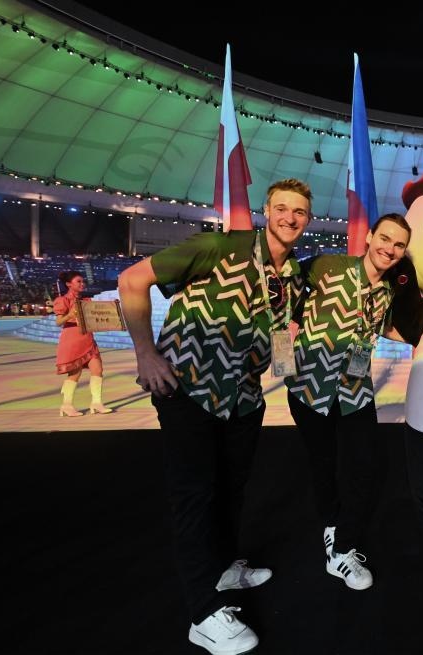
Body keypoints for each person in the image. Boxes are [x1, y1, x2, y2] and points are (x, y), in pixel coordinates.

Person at [117, 179, 311, 655]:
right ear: (267, 211)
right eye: (282, 208)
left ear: (307, 219)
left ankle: (224, 567)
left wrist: (288, 371)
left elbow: (282, 334)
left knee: (231, 490)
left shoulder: (293, 277)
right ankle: (203, 613)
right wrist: (146, 354)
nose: (290, 217)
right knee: (196, 498)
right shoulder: (219, 247)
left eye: (299, 212)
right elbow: (132, 281)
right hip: (190, 389)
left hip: (243, 398)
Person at [284, 213, 412, 590]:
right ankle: (331, 527)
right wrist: (281, 357)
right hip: (308, 387)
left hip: (355, 389)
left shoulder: (387, 291)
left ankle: (343, 548)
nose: (390, 249)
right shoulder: (328, 265)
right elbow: (281, 296)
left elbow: (384, 328)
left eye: (399, 245)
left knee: (365, 465)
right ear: (369, 237)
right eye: (385, 238)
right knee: (323, 465)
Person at [54, 270, 111, 416]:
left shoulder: (86, 301)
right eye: (78, 281)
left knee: (98, 370)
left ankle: (96, 403)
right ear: (69, 284)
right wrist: (69, 315)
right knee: (75, 374)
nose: (82, 284)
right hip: (72, 339)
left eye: (82, 281)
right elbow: (58, 322)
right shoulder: (63, 300)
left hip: (87, 338)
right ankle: (66, 405)